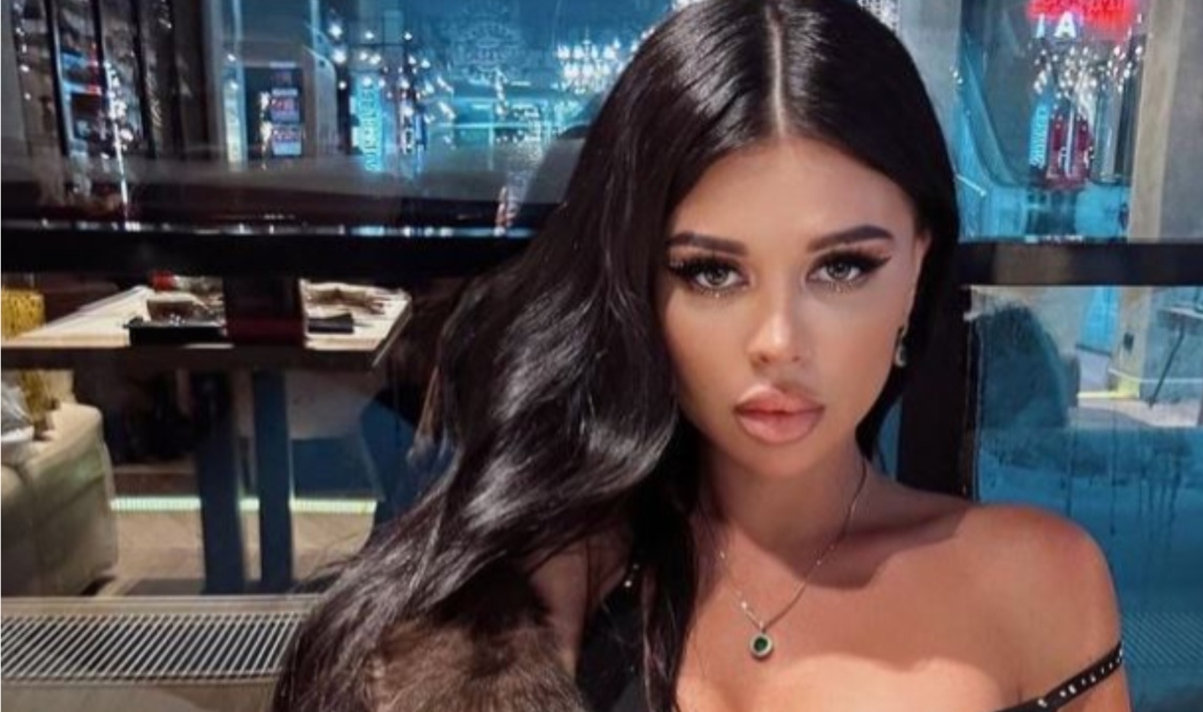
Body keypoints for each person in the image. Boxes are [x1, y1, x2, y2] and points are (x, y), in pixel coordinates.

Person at [271, 1, 1131, 711]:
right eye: (712, 273)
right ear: (639, 285)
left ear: (917, 266)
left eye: (842, 267)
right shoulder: (544, 586)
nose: (779, 340)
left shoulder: (1035, 583)